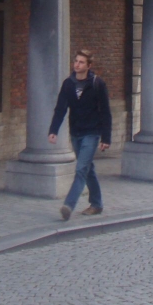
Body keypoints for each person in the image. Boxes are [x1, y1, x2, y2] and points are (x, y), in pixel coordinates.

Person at [48, 49, 112, 220]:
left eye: (81, 62)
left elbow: (106, 112)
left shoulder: (97, 84)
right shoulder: (68, 84)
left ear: (88, 66)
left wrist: (106, 137)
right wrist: (53, 130)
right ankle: (97, 204)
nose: (77, 64)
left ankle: (68, 205)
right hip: (76, 132)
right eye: (76, 61)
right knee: (88, 168)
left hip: (92, 132)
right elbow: (60, 109)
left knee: (81, 169)